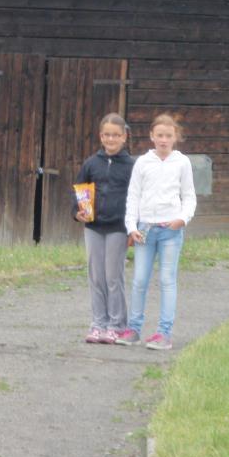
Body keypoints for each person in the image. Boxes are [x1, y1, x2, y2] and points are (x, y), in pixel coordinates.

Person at [115, 113, 196, 351]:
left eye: (168, 136)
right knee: (140, 280)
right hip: (145, 231)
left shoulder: (182, 163)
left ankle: (164, 333)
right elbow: (133, 196)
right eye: (159, 135)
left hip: (170, 230)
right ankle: (134, 329)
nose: (163, 140)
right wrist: (131, 227)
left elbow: (189, 196)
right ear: (152, 136)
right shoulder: (143, 162)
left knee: (167, 280)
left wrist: (182, 219)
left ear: (175, 137)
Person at [73, 113, 135, 344]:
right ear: (101, 136)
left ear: (124, 137)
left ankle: (117, 325)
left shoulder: (132, 166)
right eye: (107, 135)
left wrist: (133, 228)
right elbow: (79, 190)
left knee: (113, 277)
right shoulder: (91, 163)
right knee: (96, 277)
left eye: (116, 135)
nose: (111, 139)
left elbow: (137, 197)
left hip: (118, 228)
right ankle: (98, 323)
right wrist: (77, 212)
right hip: (93, 228)